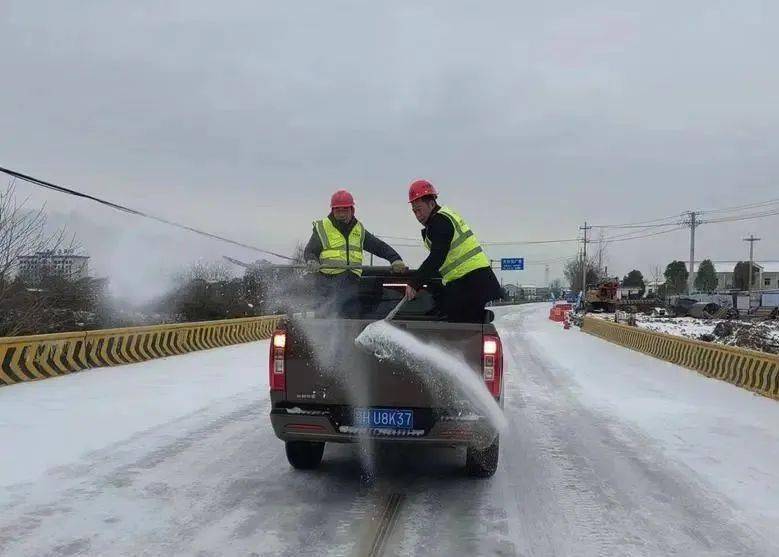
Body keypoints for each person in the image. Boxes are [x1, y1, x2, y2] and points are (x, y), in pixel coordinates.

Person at [404, 179, 502, 323]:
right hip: (465, 283)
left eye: (419, 209)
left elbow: (437, 256)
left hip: (472, 282)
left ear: (431, 204)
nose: (417, 215)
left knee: (461, 328)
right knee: (454, 320)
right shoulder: (439, 220)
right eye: (414, 211)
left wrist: (415, 282)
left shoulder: (440, 222)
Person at [304, 189, 407, 312]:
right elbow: (310, 251)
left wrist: (395, 259)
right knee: (324, 316)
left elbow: (379, 246)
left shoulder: (358, 230)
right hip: (326, 283)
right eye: (338, 210)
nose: (341, 214)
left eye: (345, 210)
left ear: (352, 210)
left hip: (351, 284)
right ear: (332, 210)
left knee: (350, 316)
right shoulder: (322, 228)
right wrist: (311, 261)